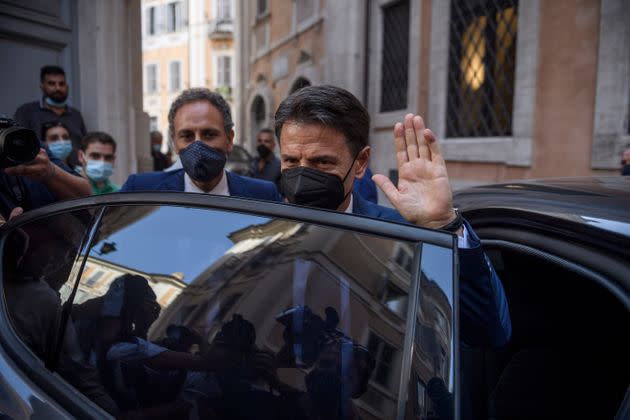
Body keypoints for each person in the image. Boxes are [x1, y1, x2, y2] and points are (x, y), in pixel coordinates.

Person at [274, 85, 511, 347]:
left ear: (361, 162)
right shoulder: (257, 226)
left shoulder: (403, 236)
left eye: (322, 162)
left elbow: (488, 332)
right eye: (291, 161)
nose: (302, 176)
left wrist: (443, 225)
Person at [121, 88, 280, 202]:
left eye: (209, 134)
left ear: (229, 139)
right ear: (175, 142)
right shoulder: (139, 191)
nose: (198, 145)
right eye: (187, 135)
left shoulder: (264, 196)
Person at [0, 118, 91, 220]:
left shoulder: (29, 145)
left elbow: (86, 196)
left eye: (65, 137)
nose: (61, 142)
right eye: (54, 138)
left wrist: (51, 172)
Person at [14, 65, 87, 167]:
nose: (58, 88)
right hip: (39, 173)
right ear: (42, 86)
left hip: (75, 174)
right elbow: (18, 145)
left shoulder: (76, 115)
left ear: (67, 86)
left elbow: (85, 146)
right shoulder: (27, 111)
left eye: (61, 84)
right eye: (52, 84)